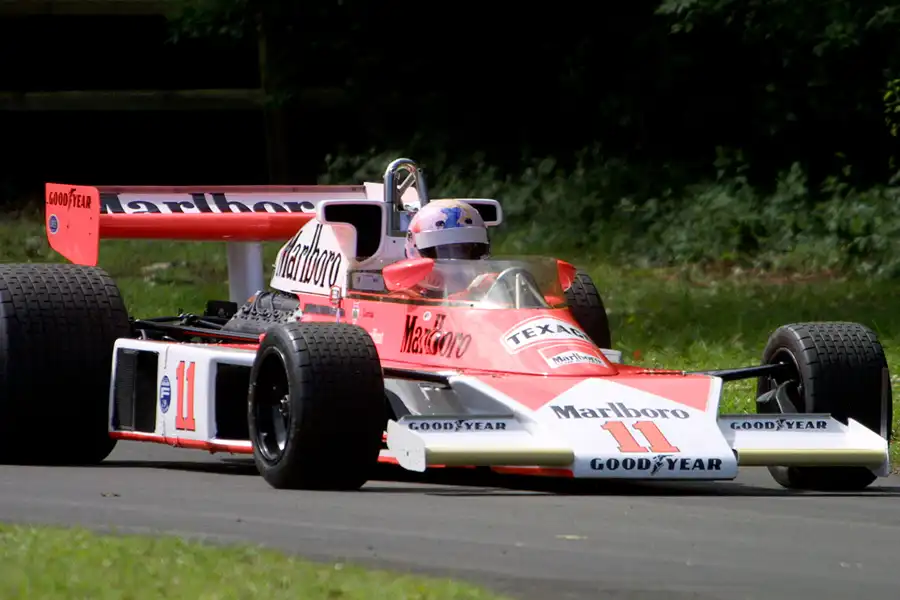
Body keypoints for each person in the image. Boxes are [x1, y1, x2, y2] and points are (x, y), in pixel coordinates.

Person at [400, 199, 496, 299]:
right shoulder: (406, 299)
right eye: (444, 250)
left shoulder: (486, 288)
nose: (456, 256)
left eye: (464, 248)